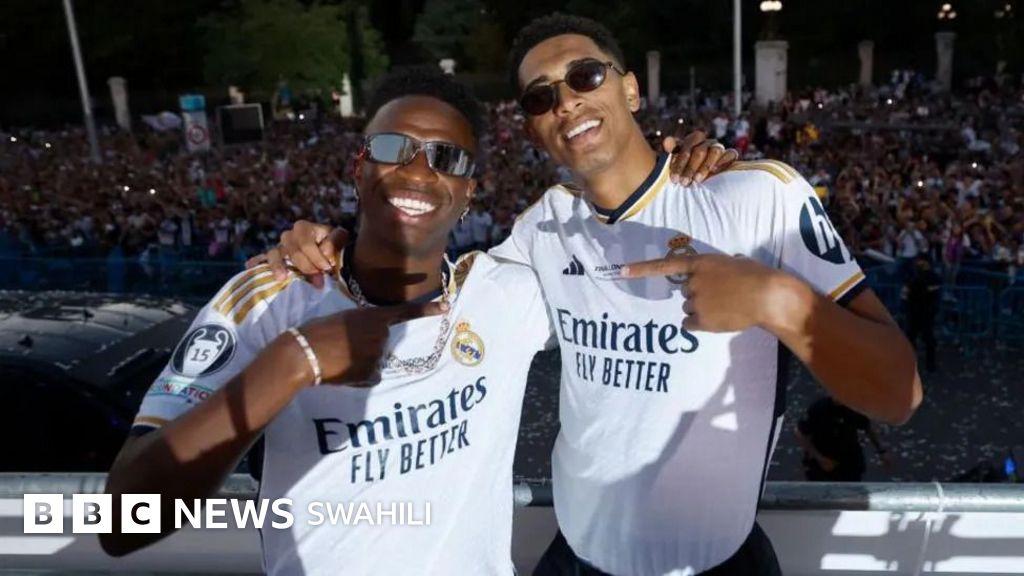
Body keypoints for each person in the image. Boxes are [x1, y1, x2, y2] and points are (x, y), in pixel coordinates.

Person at [264, 14, 922, 576]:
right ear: (532, 130)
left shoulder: (756, 197)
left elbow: (898, 395)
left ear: (630, 88)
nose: (566, 102)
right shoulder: (542, 229)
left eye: (585, 76)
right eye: (540, 97)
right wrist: (328, 246)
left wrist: (778, 301)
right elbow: (427, 296)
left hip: (716, 562)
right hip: (575, 557)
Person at [101, 67, 733, 574]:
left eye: (447, 158)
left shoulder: (510, 294)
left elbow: (633, 264)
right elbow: (125, 524)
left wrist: (685, 169)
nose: (418, 171)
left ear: (470, 192)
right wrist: (294, 362)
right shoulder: (271, 299)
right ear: (359, 168)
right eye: (392, 148)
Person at [794, 395, 893, 482]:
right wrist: (820, 458)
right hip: (823, 462)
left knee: (851, 491)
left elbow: (868, 427)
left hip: (849, 461)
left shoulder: (854, 408)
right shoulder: (818, 408)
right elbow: (800, 434)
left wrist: (881, 451)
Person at [902, 254, 940, 372]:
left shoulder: (931, 277)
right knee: (913, 337)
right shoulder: (913, 276)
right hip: (916, 310)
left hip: (925, 311)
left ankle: (929, 364)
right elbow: (906, 292)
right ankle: (913, 362)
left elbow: (932, 293)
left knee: (926, 337)